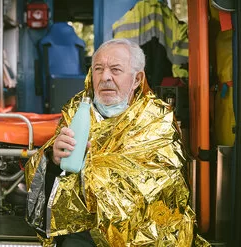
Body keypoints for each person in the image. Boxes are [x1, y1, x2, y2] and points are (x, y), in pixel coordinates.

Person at [25, 38, 210, 247]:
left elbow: (162, 190)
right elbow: (53, 183)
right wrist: (53, 158)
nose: (105, 77)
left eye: (115, 69)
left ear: (137, 79)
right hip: (83, 232)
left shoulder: (157, 121)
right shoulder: (76, 111)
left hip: (143, 236)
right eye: (98, 69)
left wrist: (96, 168)